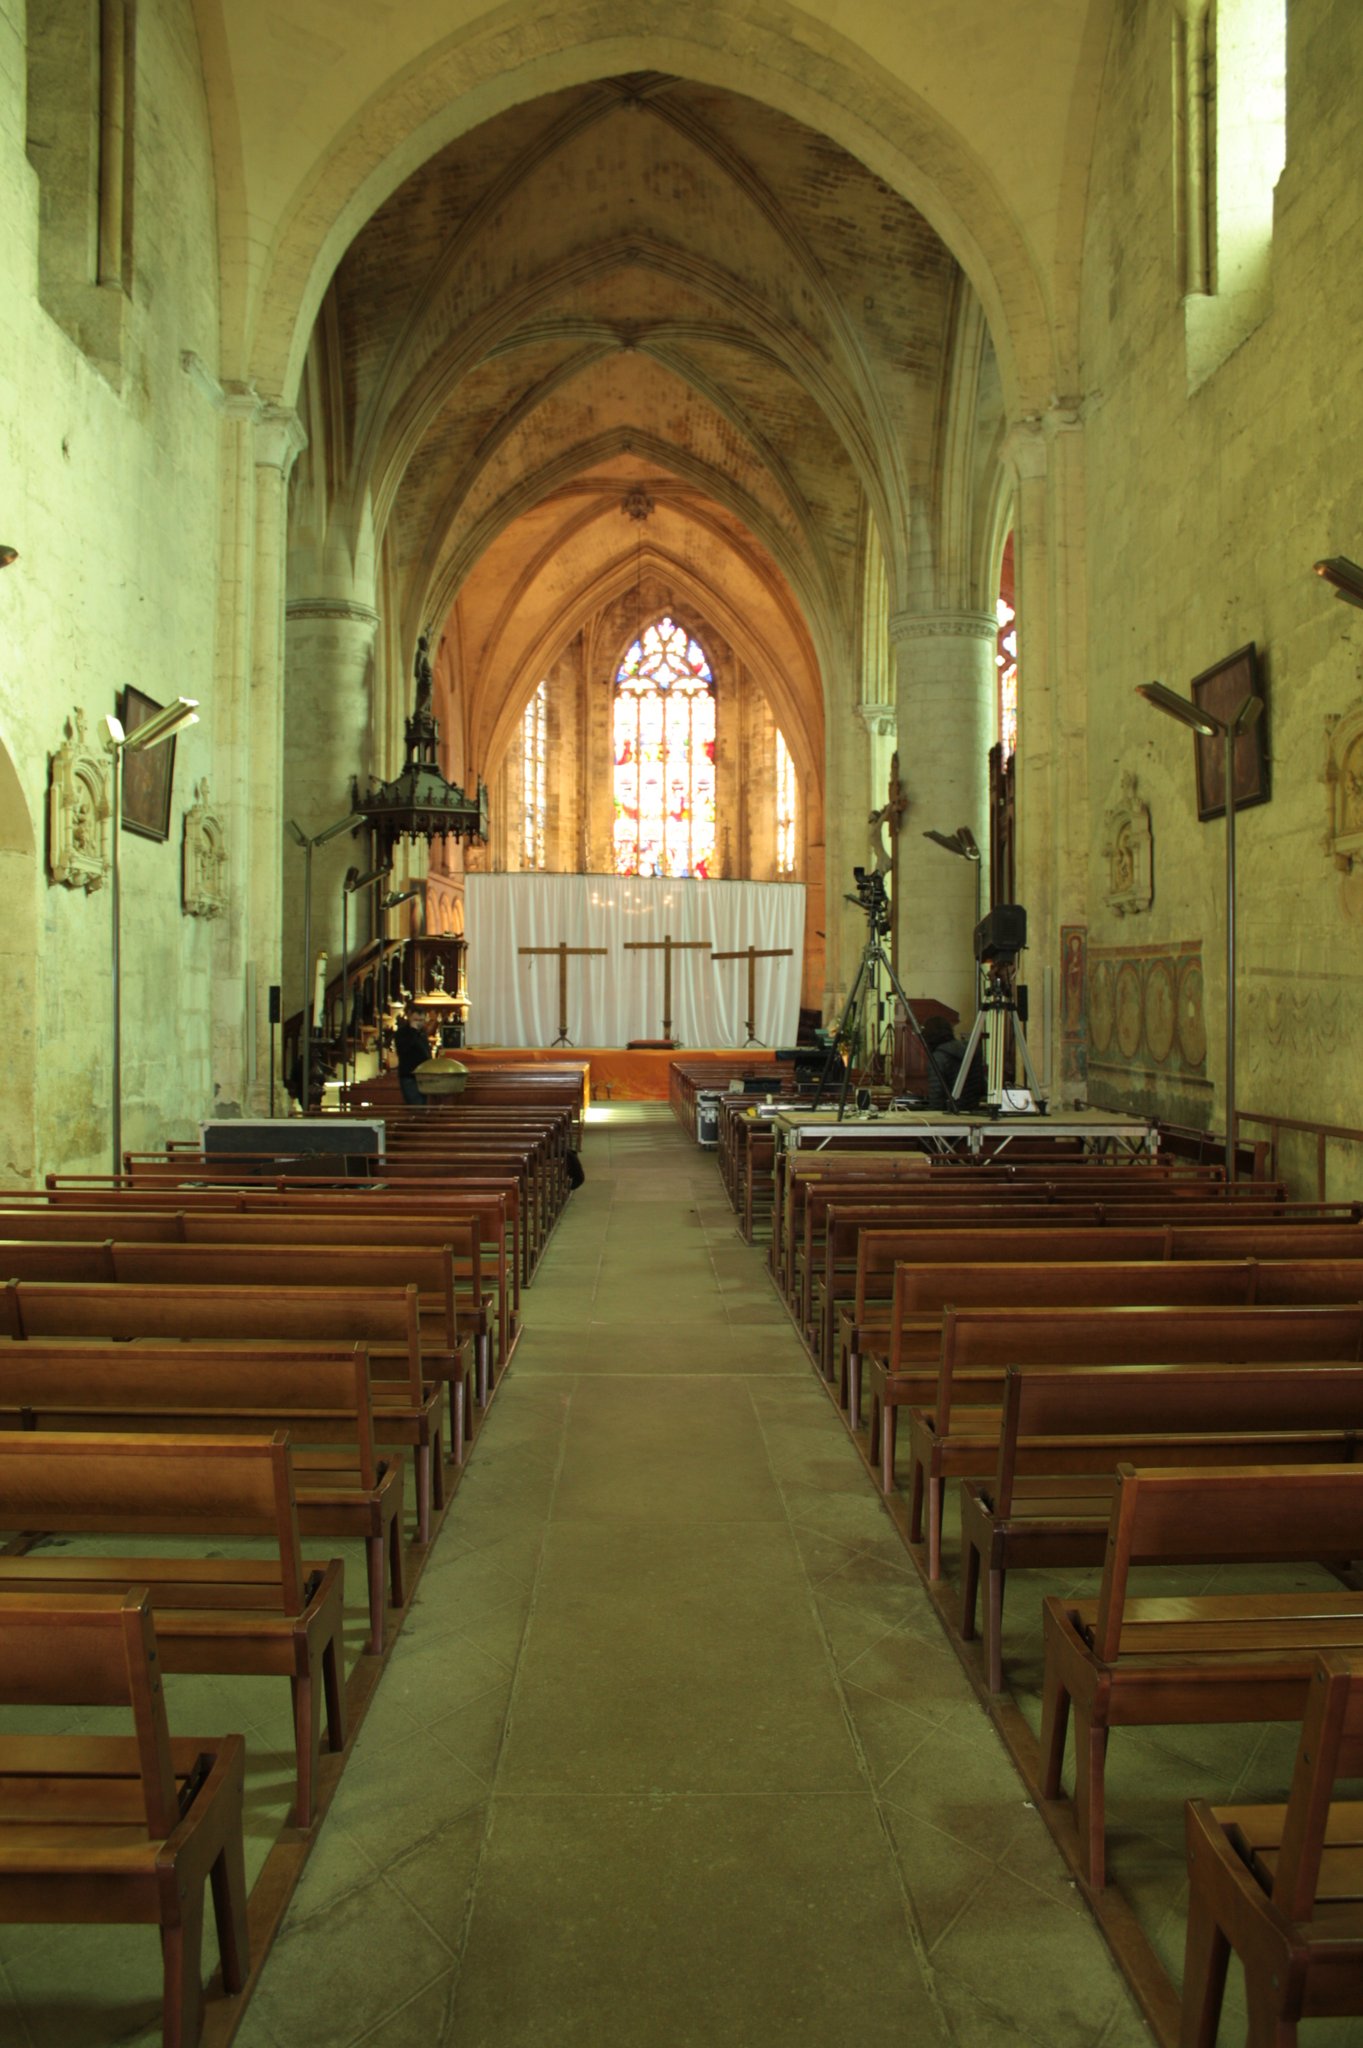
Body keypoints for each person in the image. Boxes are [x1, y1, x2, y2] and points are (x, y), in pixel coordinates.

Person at [921, 1013, 985, 1112]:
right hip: (974, 1112)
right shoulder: (971, 1051)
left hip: (951, 1114)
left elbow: (936, 1095)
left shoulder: (938, 1058)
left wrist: (932, 1116)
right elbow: (981, 1085)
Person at [393, 1009, 433, 1106]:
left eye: (422, 1020)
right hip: (409, 1076)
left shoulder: (422, 1033)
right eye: (416, 1020)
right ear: (410, 1018)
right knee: (416, 1106)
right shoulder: (402, 1033)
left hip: (424, 1076)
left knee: (425, 1105)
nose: (419, 1023)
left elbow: (426, 1052)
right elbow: (403, 1049)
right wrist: (413, 1031)